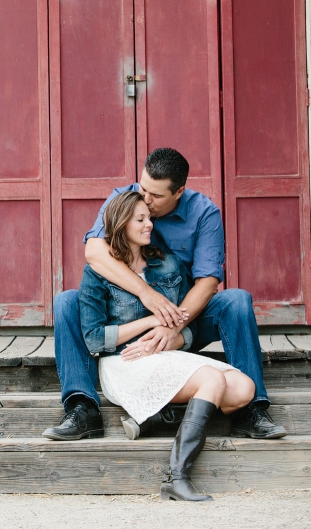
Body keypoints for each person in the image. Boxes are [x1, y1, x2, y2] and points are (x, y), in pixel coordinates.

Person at [43, 148, 286, 442]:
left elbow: (208, 282)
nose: (145, 199)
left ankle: (250, 411)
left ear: (179, 191)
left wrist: (173, 326)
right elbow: (94, 251)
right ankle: (82, 408)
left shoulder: (203, 213)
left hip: (183, 313)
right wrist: (148, 296)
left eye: (155, 196)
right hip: (128, 315)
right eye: (142, 187)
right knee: (67, 302)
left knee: (235, 301)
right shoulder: (125, 199)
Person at [77, 190, 255, 501]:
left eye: (149, 218)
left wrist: (176, 337)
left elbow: (190, 324)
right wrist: (149, 323)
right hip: (125, 362)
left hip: (166, 356)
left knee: (243, 388)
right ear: (121, 224)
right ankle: (177, 476)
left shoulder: (168, 265)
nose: (150, 225)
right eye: (141, 219)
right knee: (213, 379)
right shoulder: (97, 272)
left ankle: (155, 417)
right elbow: (93, 338)